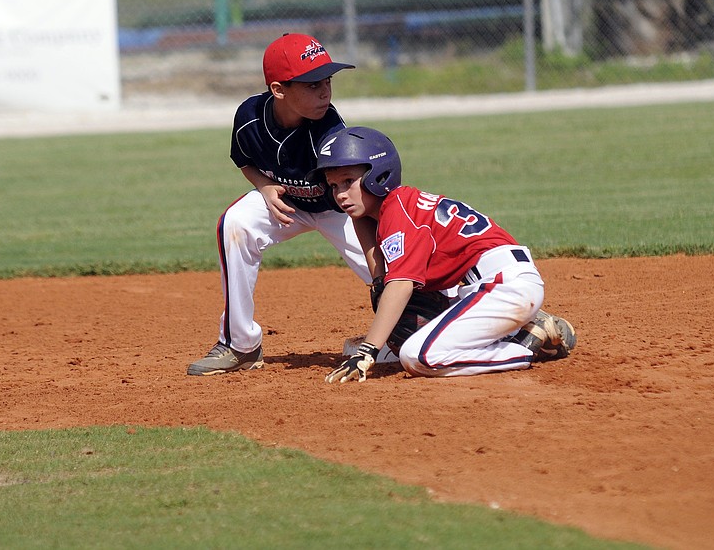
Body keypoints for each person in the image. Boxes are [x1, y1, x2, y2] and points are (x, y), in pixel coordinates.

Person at [307, 126, 577, 383]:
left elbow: (400, 285)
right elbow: (380, 270)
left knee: (418, 356)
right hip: (491, 283)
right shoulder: (398, 204)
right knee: (393, 319)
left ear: (378, 175)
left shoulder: (399, 214)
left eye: (348, 182)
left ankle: (523, 344)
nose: (341, 195)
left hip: (504, 288)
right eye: (333, 186)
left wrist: (368, 350)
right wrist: (379, 280)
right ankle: (519, 329)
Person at [187, 33, 378, 376]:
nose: (325, 92)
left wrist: (371, 247)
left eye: (328, 81)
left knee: (389, 272)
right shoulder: (249, 117)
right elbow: (243, 159)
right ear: (278, 90)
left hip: (337, 207)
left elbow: (351, 189)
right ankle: (239, 345)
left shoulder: (329, 129)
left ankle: (417, 327)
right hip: (285, 204)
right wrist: (263, 187)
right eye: (311, 84)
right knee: (236, 224)